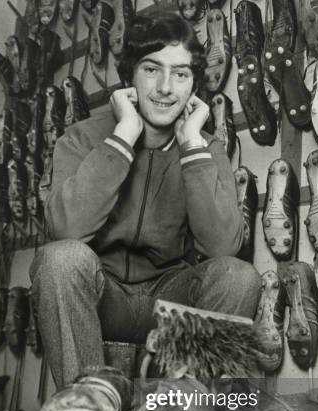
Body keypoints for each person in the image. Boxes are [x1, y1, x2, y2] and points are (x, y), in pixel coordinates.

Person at [30, 11, 261, 389]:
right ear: (130, 77)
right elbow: (65, 230)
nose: (166, 87)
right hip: (102, 295)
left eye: (181, 74)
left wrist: (191, 143)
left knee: (238, 276)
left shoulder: (206, 146)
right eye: (152, 69)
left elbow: (222, 246)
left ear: (193, 87)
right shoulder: (81, 137)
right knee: (60, 259)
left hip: (168, 299)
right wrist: (122, 136)